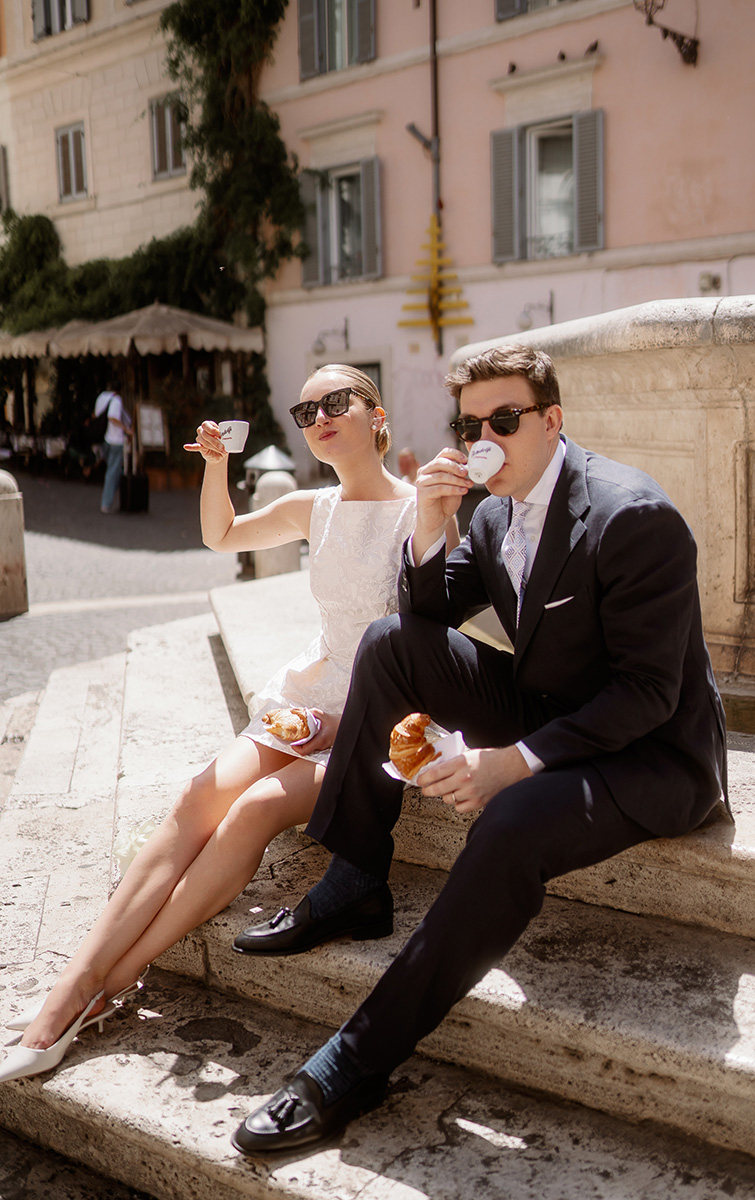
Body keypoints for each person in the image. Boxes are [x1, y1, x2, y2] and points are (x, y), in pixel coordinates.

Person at [229, 342, 730, 1156]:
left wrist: (516, 761)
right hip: (552, 706)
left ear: (552, 421)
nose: (485, 436)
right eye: (470, 423)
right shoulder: (493, 510)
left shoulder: (632, 516)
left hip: (656, 754)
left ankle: (353, 1063)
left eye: (505, 419)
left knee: (509, 823)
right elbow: (428, 613)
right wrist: (429, 527)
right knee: (391, 644)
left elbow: (649, 694)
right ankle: (356, 875)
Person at [0, 364, 458, 1084]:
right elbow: (222, 536)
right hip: (306, 698)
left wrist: (358, 719)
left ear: (376, 414)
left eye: (336, 400)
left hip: (374, 718)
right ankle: (81, 984)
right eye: (305, 410)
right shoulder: (316, 507)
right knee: (193, 800)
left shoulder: (418, 510)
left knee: (254, 810)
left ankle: (100, 987)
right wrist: (217, 467)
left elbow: (435, 627)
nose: (319, 416)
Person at [93, 382, 132, 513]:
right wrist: (126, 429)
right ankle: (106, 503)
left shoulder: (101, 398)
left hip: (105, 439)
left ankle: (119, 499)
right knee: (113, 472)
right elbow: (112, 417)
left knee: (115, 471)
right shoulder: (116, 400)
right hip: (115, 440)